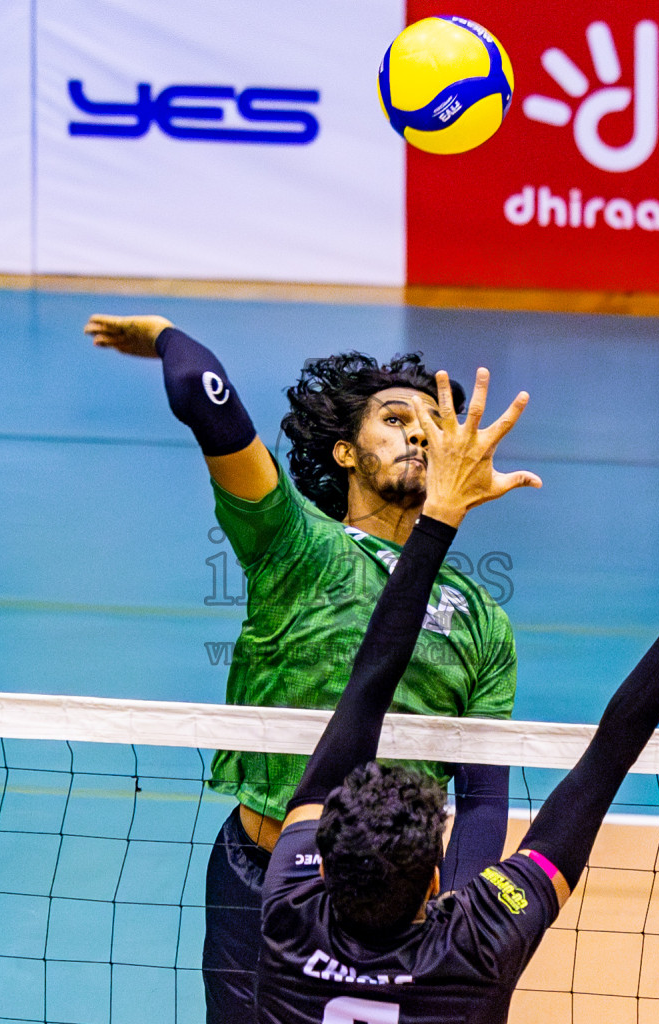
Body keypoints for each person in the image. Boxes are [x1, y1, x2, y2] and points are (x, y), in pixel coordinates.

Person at [258, 368, 659, 1023]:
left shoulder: (287, 917)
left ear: (323, 869)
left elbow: (364, 689)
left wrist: (439, 512)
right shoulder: (476, 945)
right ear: (433, 883)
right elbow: (608, 756)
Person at [85, 315, 520, 1021]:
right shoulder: (292, 543)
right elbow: (203, 392)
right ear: (345, 452)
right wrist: (164, 335)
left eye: (434, 425)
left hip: (397, 908)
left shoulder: (483, 619)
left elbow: (482, 798)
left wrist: (458, 921)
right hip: (258, 883)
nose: (418, 434)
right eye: (396, 418)